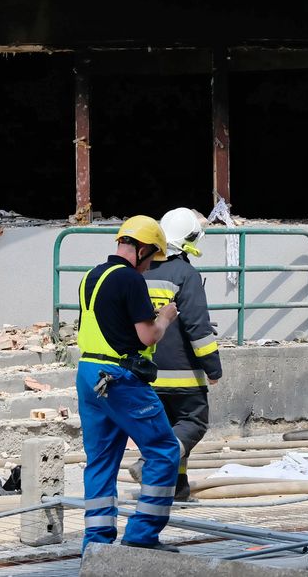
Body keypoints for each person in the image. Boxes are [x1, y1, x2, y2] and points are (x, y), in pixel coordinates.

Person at [77, 216, 181, 552]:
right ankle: (142, 536)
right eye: (150, 259)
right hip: (119, 378)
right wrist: (164, 317)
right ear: (142, 248)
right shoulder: (131, 281)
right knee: (165, 451)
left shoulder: (91, 277)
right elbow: (147, 335)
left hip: (89, 373)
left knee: (101, 461)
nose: (149, 267)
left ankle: (96, 545)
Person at [135, 207, 222, 501]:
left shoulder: (141, 273)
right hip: (183, 375)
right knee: (193, 424)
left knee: (169, 431)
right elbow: (199, 329)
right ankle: (148, 464)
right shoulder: (186, 274)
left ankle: (177, 488)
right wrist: (213, 369)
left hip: (146, 373)